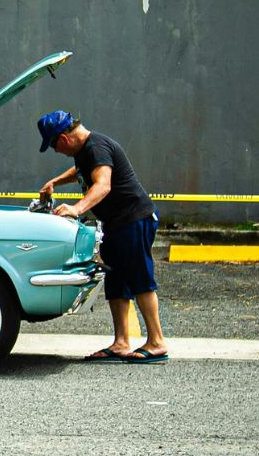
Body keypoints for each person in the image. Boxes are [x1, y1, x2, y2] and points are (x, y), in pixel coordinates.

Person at [36, 110, 170, 364]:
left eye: (54, 145)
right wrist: (54, 181)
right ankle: (121, 342)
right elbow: (80, 172)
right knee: (117, 281)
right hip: (117, 224)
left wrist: (76, 208)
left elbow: (102, 184)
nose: (56, 151)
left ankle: (157, 342)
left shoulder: (96, 147)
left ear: (63, 139)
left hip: (134, 220)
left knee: (141, 279)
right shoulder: (86, 151)